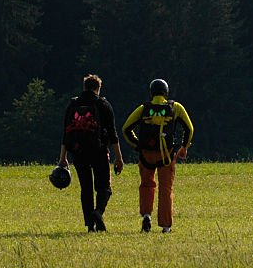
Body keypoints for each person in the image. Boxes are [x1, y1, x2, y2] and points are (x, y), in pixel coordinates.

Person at [122, 79, 194, 233]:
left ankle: (147, 215)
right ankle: (166, 226)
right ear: (166, 92)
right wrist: (184, 147)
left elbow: (126, 128)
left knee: (147, 185)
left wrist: (137, 145)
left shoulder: (143, 108)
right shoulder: (175, 107)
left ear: (151, 93)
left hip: (146, 155)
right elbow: (189, 129)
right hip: (166, 155)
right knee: (165, 189)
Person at [58, 74, 125, 232]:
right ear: (98, 88)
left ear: (84, 87)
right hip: (99, 152)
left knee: (86, 188)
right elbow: (113, 134)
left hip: (78, 152)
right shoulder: (103, 104)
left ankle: (90, 225)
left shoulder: (73, 104)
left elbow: (66, 133)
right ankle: (98, 212)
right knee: (104, 187)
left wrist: (63, 158)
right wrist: (119, 157)